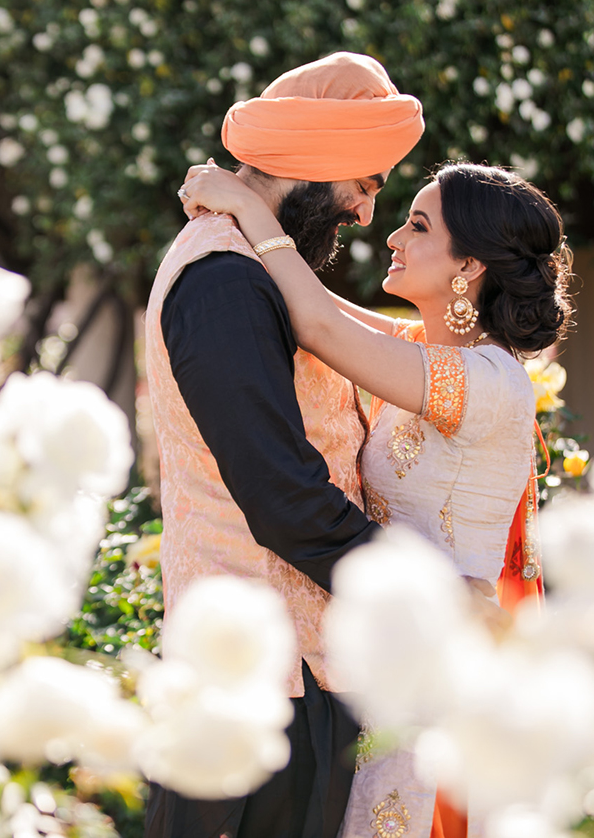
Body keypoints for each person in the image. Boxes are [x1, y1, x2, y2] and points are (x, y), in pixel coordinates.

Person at [178, 159, 571, 838]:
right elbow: (317, 311)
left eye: (417, 226)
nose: (392, 236)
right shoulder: (427, 353)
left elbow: (320, 329)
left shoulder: (490, 382)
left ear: (468, 265)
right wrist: (240, 216)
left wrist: (245, 204)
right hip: (387, 672)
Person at [141, 50, 422, 838]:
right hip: (261, 692)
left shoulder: (251, 265)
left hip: (281, 677)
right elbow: (283, 497)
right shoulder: (224, 281)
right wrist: (422, 596)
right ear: (316, 161)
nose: (368, 213)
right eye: (366, 182)